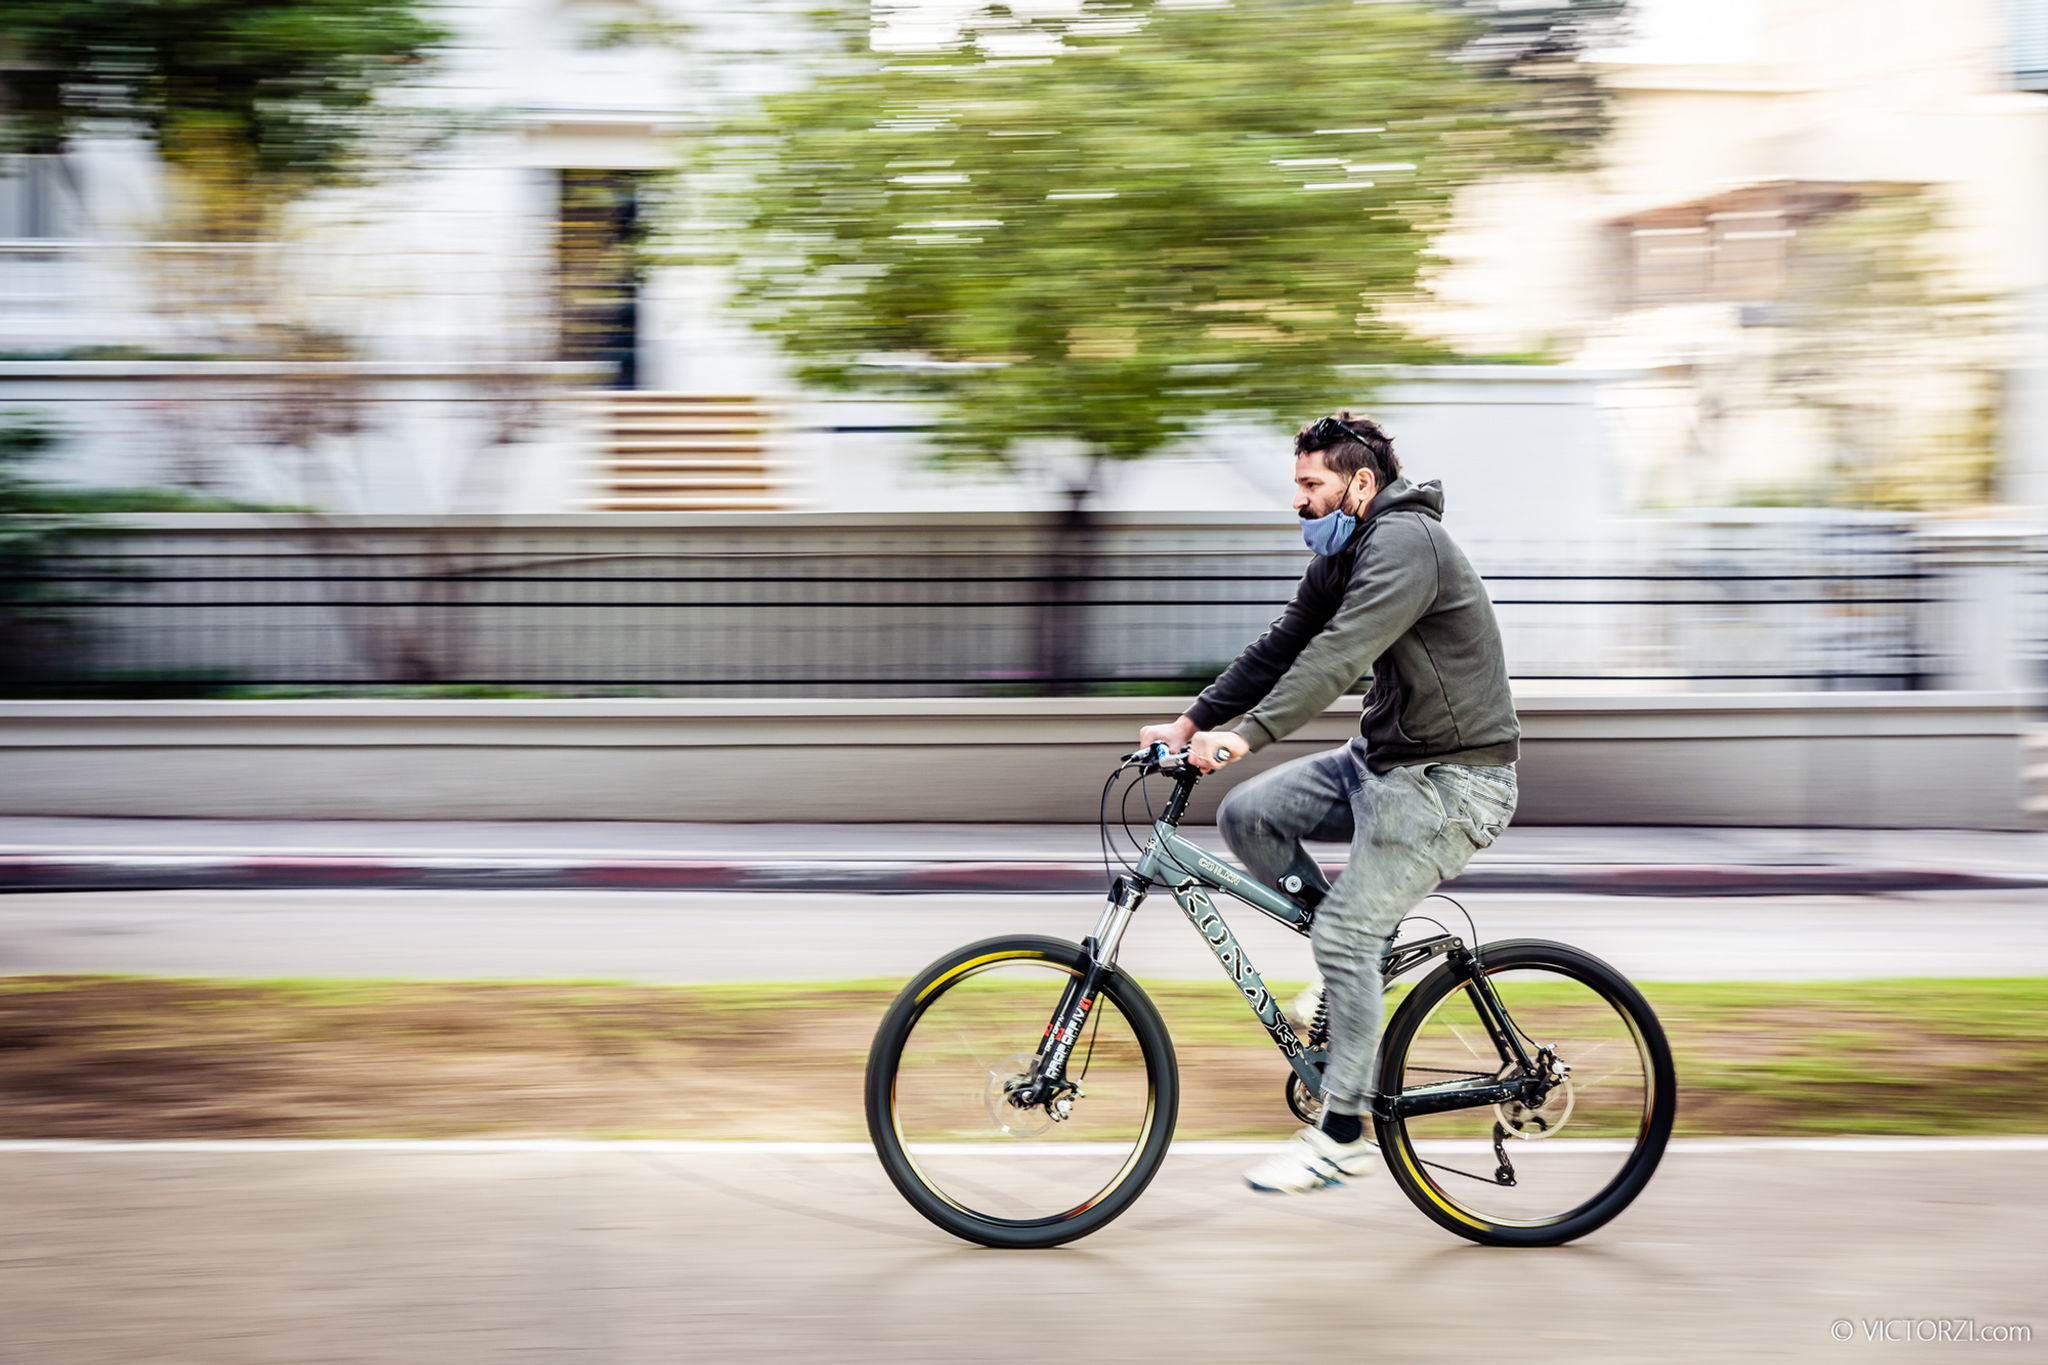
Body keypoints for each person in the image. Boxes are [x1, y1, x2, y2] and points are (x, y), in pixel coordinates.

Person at [1138, 412, 1520, 1195]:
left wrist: (1246, 737)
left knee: (1345, 932)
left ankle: (1341, 1135)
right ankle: (1359, 963)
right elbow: (1282, 646)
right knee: (1248, 816)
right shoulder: (1346, 552)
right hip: (1381, 763)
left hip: (1452, 781)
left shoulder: (1407, 545)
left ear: (1360, 484)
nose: (1298, 499)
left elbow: (1337, 657)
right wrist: (1190, 722)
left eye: (1311, 484)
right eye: (1298, 483)